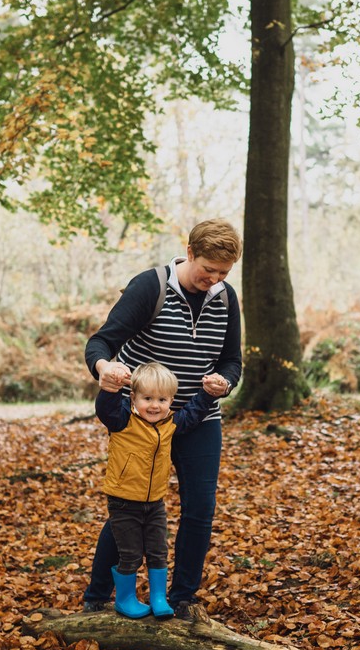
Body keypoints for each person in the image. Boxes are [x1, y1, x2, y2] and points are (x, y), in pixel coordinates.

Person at [83, 219, 243, 618]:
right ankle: (97, 595)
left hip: (199, 418)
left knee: (200, 508)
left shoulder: (226, 298)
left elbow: (232, 360)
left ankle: (182, 597)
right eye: (208, 269)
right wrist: (104, 367)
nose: (215, 279)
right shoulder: (150, 286)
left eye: (224, 272)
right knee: (130, 507)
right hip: (144, 421)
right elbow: (101, 341)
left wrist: (226, 382)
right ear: (190, 253)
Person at [94, 361, 217, 618]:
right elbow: (105, 408)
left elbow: (193, 414)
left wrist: (207, 394)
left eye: (162, 399)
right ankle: (125, 599)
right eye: (147, 398)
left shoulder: (170, 424)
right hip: (124, 501)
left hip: (155, 503)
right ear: (133, 398)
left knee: (158, 551)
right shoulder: (122, 420)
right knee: (130, 553)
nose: (154, 405)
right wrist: (110, 389)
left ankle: (159, 597)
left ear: (171, 400)